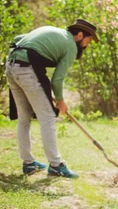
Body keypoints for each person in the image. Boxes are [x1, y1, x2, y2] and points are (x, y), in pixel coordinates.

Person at [5, 19, 99, 178]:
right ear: (80, 35)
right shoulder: (70, 45)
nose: (86, 46)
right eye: (87, 41)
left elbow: (18, 39)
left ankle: (28, 163)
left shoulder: (55, 32)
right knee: (47, 116)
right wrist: (61, 101)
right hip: (27, 69)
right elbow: (57, 79)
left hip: (11, 65)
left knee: (24, 117)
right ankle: (56, 165)